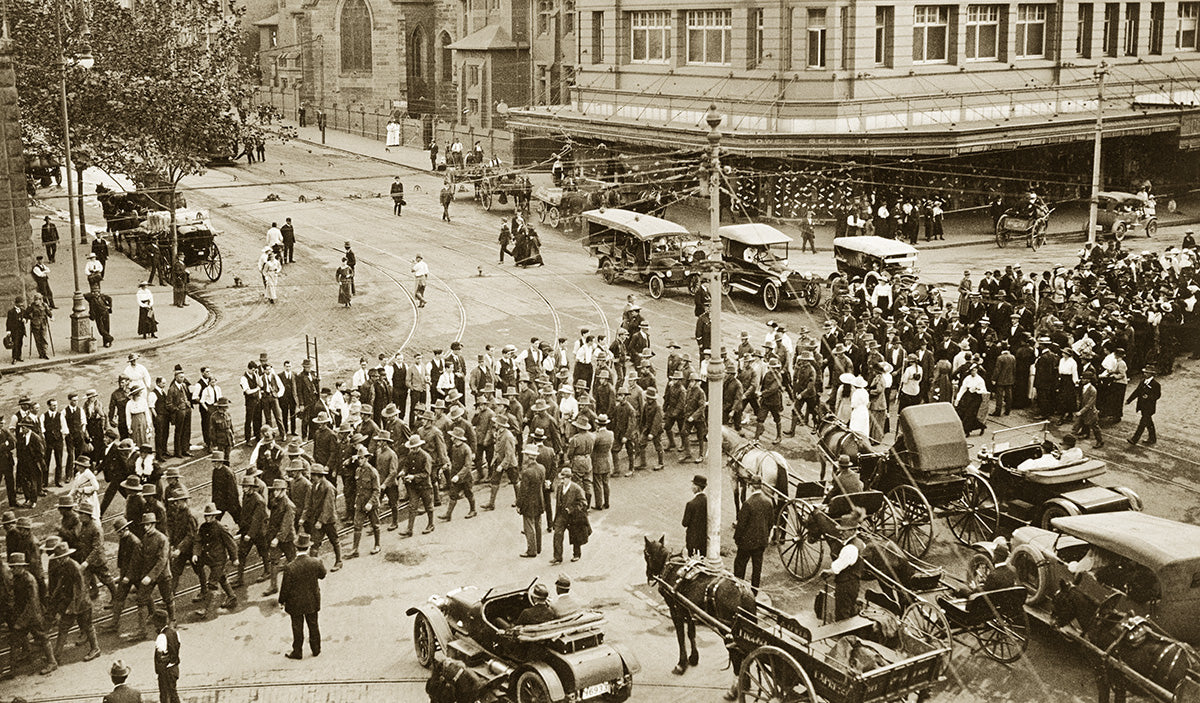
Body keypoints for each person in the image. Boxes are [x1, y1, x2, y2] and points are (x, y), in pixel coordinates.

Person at [45, 537, 101, 663]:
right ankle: (56, 656)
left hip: (81, 603)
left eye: (60, 557)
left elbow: (80, 589)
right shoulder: (64, 565)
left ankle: (95, 649)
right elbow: (62, 584)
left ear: (65, 556)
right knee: (64, 628)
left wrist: (72, 607)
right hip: (73, 602)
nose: (58, 560)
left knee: (87, 626)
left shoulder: (73, 566)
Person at [278, 533, 326, 660]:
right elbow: (322, 575)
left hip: (295, 603)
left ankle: (297, 652)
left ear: (296, 548)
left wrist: (281, 601)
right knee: (313, 624)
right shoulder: (316, 562)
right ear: (308, 548)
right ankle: (316, 649)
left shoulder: (290, 567)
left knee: (297, 627)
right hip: (312, 599)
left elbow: (285, 588)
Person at [9, 551, 57, 674]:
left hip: (33, 616)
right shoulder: (17, 578)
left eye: (13, 567)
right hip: (24, 615)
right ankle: (12, 669)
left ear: (21, 567)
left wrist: (21, 621)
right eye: (11, 567)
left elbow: (32, 603)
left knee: (43, 637)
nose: (12, 570)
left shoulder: (29, 580)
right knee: (15, 640)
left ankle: (52, 662)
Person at [733, 475, 773, 591]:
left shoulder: (748, 503)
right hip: (761, 542)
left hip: (746, 542)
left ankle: (738, 589)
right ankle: (754, 591)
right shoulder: (768, 502)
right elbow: (770, 523)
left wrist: (737, 539)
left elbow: (741, 525)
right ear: (761, 486)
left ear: (751, 487)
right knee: (757, 568)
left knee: (740, 565)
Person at [827, 507, 866, 621]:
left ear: (853, 531)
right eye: (841, 530)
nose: (841, 533)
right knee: (849, 609)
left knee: (842, 615)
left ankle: (844, 637)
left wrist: (827, 571)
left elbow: (837, 567)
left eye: (844, 531)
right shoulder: (860, 543)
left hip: (845, 586)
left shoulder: (849, 548)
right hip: (854, 584)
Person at [551, 467, 589, 565]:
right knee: (557, 534)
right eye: (561, 479)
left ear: (569, 478)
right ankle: (557, 557)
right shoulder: (560, 487)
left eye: (564, 479)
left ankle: (576, 554)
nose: (562, 481)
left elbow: (583, 503)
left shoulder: (576, 489)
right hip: (561, 515)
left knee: (575, 535)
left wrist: (571, 509)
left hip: (573, 516)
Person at [516, 444, 545, 558]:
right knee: (538, 524)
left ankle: (531, 550)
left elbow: (523, 492)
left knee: (529, 527)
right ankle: (538, 547)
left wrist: (519, 505)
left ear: (528, 456)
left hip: (529, 502)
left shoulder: (527, 472)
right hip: (539, 500)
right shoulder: (542, 468)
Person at [1127, 365, 1161, 445]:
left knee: (1142, 423)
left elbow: (1157, 395)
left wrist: (1149, 397)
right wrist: (1129, 400)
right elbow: (1137, 392)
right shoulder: (1143, 381)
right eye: (1145, 372)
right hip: (1142, 406)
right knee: (1148, 422)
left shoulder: (1155, 384)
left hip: (1149, 407)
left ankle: (1134, 439)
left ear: (1151, 374)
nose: (1145, 373)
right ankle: (1152, 438)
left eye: (1147, 372)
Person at [152, 609, 181, 703]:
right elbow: (177, 646)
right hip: (175, 669)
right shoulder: (175, 632)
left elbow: (160, 657)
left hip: (166, 672)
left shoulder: (161, 637)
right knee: (173, 694)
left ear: (158, 622)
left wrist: (160, 670)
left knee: (165, 697)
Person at [682, 474, 707, 557]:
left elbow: (685, 523)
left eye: (693, 485)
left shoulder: (691, 504)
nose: (691, 487)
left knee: (692, 559)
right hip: (704, 538)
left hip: (692, 539)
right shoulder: (708, 501)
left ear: (696, 487)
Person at [6, 296, 26, 363]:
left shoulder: (23, 310)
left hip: (21, 330)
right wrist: (8, 330)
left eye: (22, 303)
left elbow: (27, 316)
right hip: (14, 331)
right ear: (16, 303)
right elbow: (8, 322)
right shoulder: (11, 312)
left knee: (20, 343)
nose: (21, 305)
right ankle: (14, 358)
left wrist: (25, 320)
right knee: (15, 344)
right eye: (20, 304)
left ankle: (19, 356)